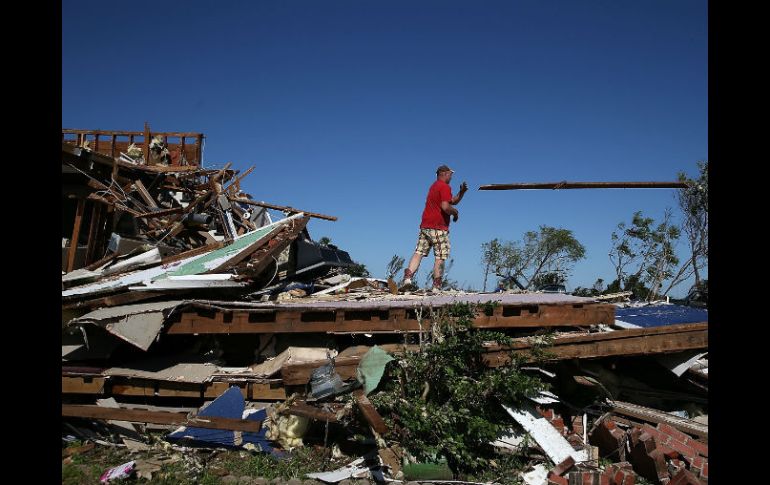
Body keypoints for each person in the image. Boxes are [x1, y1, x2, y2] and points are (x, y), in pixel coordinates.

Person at [401, 164, 468, 291]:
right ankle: (436, 286)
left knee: (419, 252)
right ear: (445, 174)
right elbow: (445, 206)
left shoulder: (434, 186)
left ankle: (407, 279)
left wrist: (462, 192)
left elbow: (452, 201)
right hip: (438, 227)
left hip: (425, 226)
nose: (452, 177)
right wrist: (455, 213)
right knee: (440, 256)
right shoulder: (444, 187)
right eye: (451, 174)